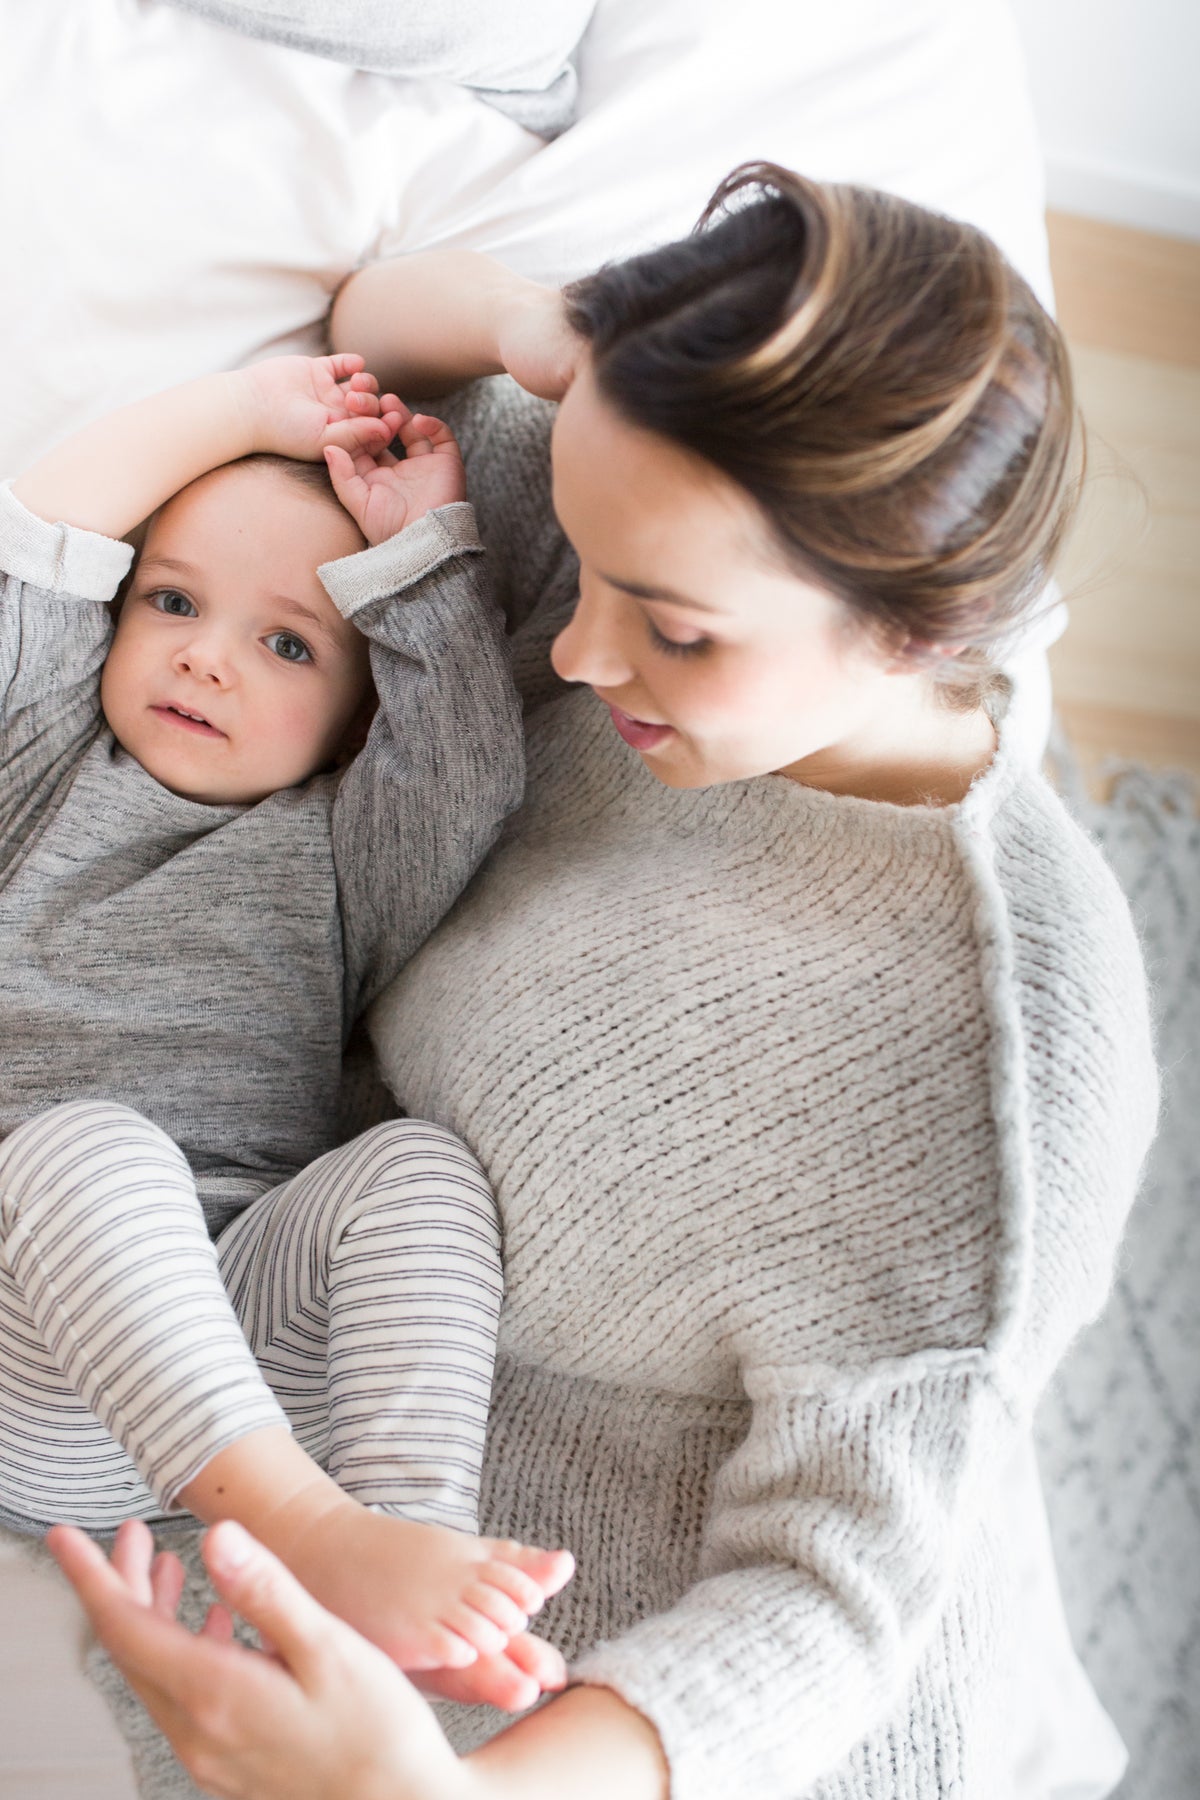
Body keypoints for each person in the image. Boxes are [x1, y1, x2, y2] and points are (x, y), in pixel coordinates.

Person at [51, 165, 1157, 1800]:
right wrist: (535, 326)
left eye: (677, 630)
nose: (574, 651)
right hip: (325, 1364)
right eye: (582, 548)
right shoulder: (640, 516)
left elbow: (834, 1599)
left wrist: (450, 1793)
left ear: (926, 633)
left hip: (614, 1701)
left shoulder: (1001, 1065)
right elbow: (384, 333)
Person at [0, 352, 574, 1713]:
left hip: (240, 1346)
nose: (203, 653)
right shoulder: (38, 770)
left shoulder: (344, 851)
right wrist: (246, 413)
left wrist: (427, 549)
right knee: (89, 1149)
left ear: (355, 713)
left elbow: (466, 759)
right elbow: (40, 552)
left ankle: (403, 1535)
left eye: (286, 643)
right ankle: (305, 1536)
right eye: (174, 601)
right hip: (27, 1322)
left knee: (421, 1169)